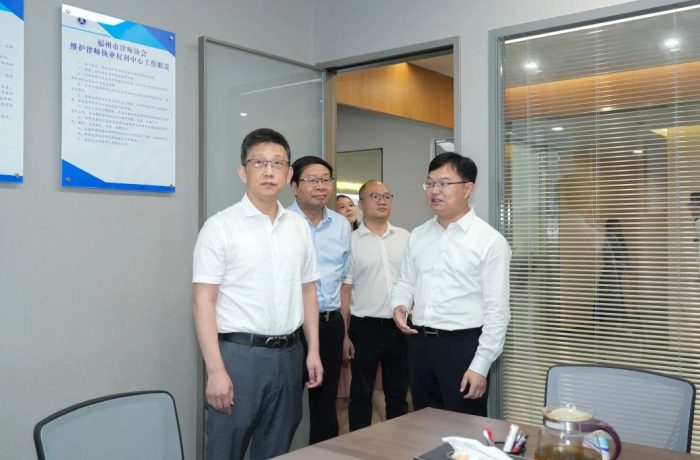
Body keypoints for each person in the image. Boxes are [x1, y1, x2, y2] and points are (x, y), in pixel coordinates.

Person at [192, 128, 323, 460]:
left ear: (289, 174)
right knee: (225, 449)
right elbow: (203, 301)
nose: (269, 171)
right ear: (243, 171)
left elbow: (308, 290)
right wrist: (215, 370)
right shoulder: (220, 227)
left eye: (278, 163)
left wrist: (313, 351)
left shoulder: (298, 227)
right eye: (259, 162)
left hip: (290, 355)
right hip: (239, 356)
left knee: (278, 449)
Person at [391, 152, 511, 416]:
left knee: (464, 429)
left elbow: (497, 311)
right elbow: (405, 282)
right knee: (423, 424)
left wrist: (480, 365)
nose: (435, 191)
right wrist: (399, 303)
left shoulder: (490, 241)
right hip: (420, 344)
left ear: (468, 189)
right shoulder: (419, 235)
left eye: (444, 184)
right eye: (430, 183)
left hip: (463, 347)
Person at [289, 156, 352, 443]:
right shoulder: (282, 222)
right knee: (285, 407)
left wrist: (345, 332)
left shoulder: (341, 225)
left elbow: (344, 281)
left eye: (326, 180)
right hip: (290, 327)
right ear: (294, 186)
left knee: (326, 406)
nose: (321, 186)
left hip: (329, 324)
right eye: (312, 180)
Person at [342, 180, 410, 430]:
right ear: (361, 204)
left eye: (386, 196)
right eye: (374, 196)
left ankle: (399, 446)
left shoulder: (405, 237)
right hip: (364, 328)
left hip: (401, 328)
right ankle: (359, 447)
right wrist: (344, 335)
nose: (382, 201)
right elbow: (345, 291)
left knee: (398, 395)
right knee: (360, 394)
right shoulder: (350, 241)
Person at [594, 218, 629, 324]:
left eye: (618, 226)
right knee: (604, 292)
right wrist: (617, 263)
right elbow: (607, 257)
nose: (617, 228)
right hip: (610, 271)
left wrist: (623, 264)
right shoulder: (608, 240)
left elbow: (626, 258)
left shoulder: (620, 240)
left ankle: (617, 318)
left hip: (616, 272)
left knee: (614, 293)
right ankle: (604, 318)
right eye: (614, 226)